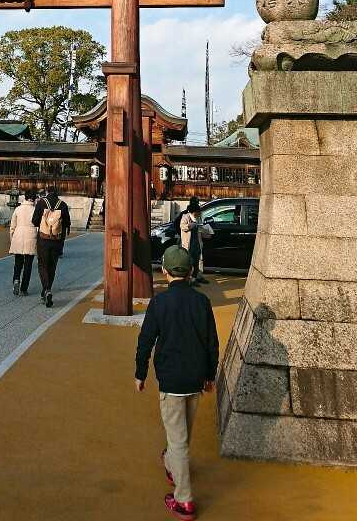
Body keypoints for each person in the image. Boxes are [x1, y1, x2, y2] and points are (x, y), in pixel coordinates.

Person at [135, 245, 219, 521]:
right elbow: (212, 343)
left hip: (171, 380)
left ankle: (184, 499)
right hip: (195, 377)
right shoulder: (202, 302)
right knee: (183, 433)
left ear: (165, 271)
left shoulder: (159, 303)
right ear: (191, 271)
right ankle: (172, 462)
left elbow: (146, 340)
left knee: (178, 439)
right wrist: (210, 375)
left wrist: (140, 373)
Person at [31, 187, 70, 307]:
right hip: (57, 240)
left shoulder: (41, 203)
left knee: (42, 265)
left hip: (43, 239)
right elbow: (67, 223)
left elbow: (34, 221)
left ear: (47, 193)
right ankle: (46, 290)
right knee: (52, 266)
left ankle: (46, 289)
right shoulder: (62, 204)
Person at [8, 190, 37, 296]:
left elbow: (12, 226)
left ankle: (16, 280)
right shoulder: (35, 210)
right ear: (34, 199)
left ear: (25, 197)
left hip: (18, 236)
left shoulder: (18, 209)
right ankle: (24, 288)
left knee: (18, 262)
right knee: (28, 265)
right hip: (31, 236)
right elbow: (38, 226)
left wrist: (12, 239)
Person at [179, 197, 212, 285]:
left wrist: (206, 231)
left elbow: (200, 229)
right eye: (197, 212)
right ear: (193, 212)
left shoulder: (198, 218)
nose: (199, 214)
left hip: (197, 243)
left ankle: (197, 277)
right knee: (189, 262)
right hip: (189, 244)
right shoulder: (185, 217)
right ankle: (189, 279)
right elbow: (182, 226)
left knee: (198, 261)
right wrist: (191, 225)